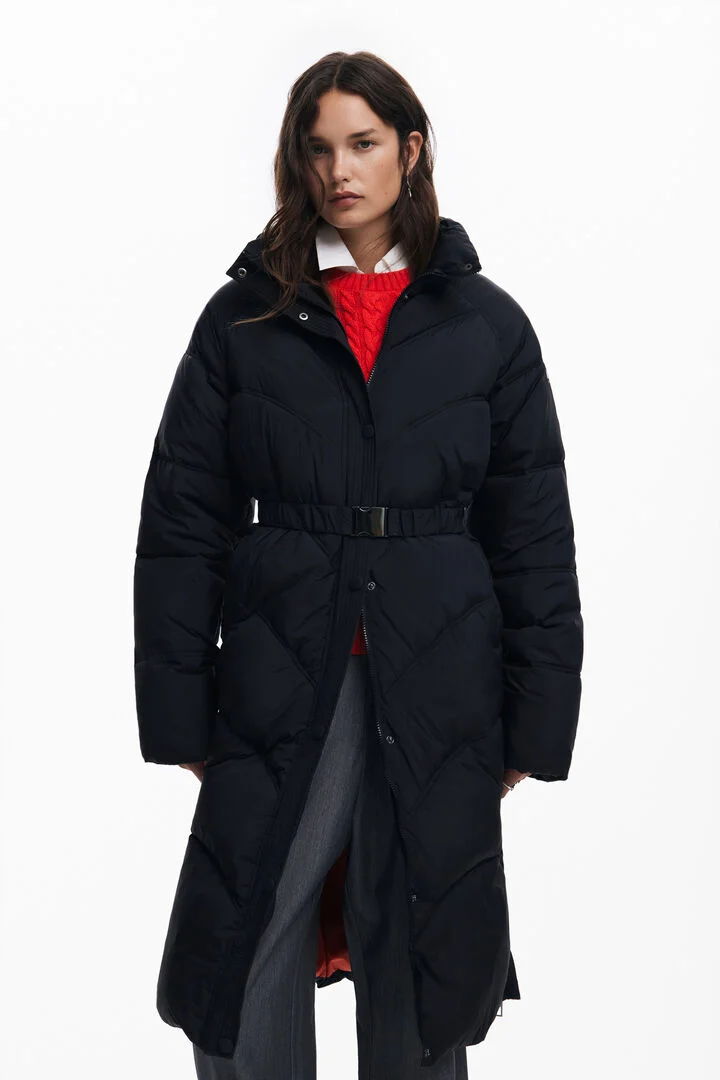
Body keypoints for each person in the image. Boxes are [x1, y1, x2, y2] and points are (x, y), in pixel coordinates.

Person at [133, 50, 583, 1080]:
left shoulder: (488, 326)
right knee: (248, 934)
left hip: (443, 672)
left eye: (364, 143)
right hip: (285, 660)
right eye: (319, 147)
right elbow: (181, 526)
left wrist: (536, 717)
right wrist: (181, 712)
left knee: (421, 951)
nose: (340, 169)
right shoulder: (243, 322)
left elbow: (532, 537)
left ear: (410, 151)